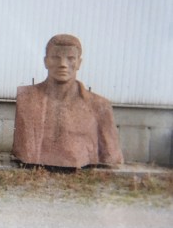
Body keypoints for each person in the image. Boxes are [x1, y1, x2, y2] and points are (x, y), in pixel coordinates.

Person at [12, 34, 123, 168]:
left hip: (82, 172)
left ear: (79, 63)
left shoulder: (99, 105)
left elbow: (111, 156)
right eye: (55, 58)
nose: (63, 64)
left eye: (70, 58)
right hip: (35, 171)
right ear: (46, 61)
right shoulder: (26, 98)